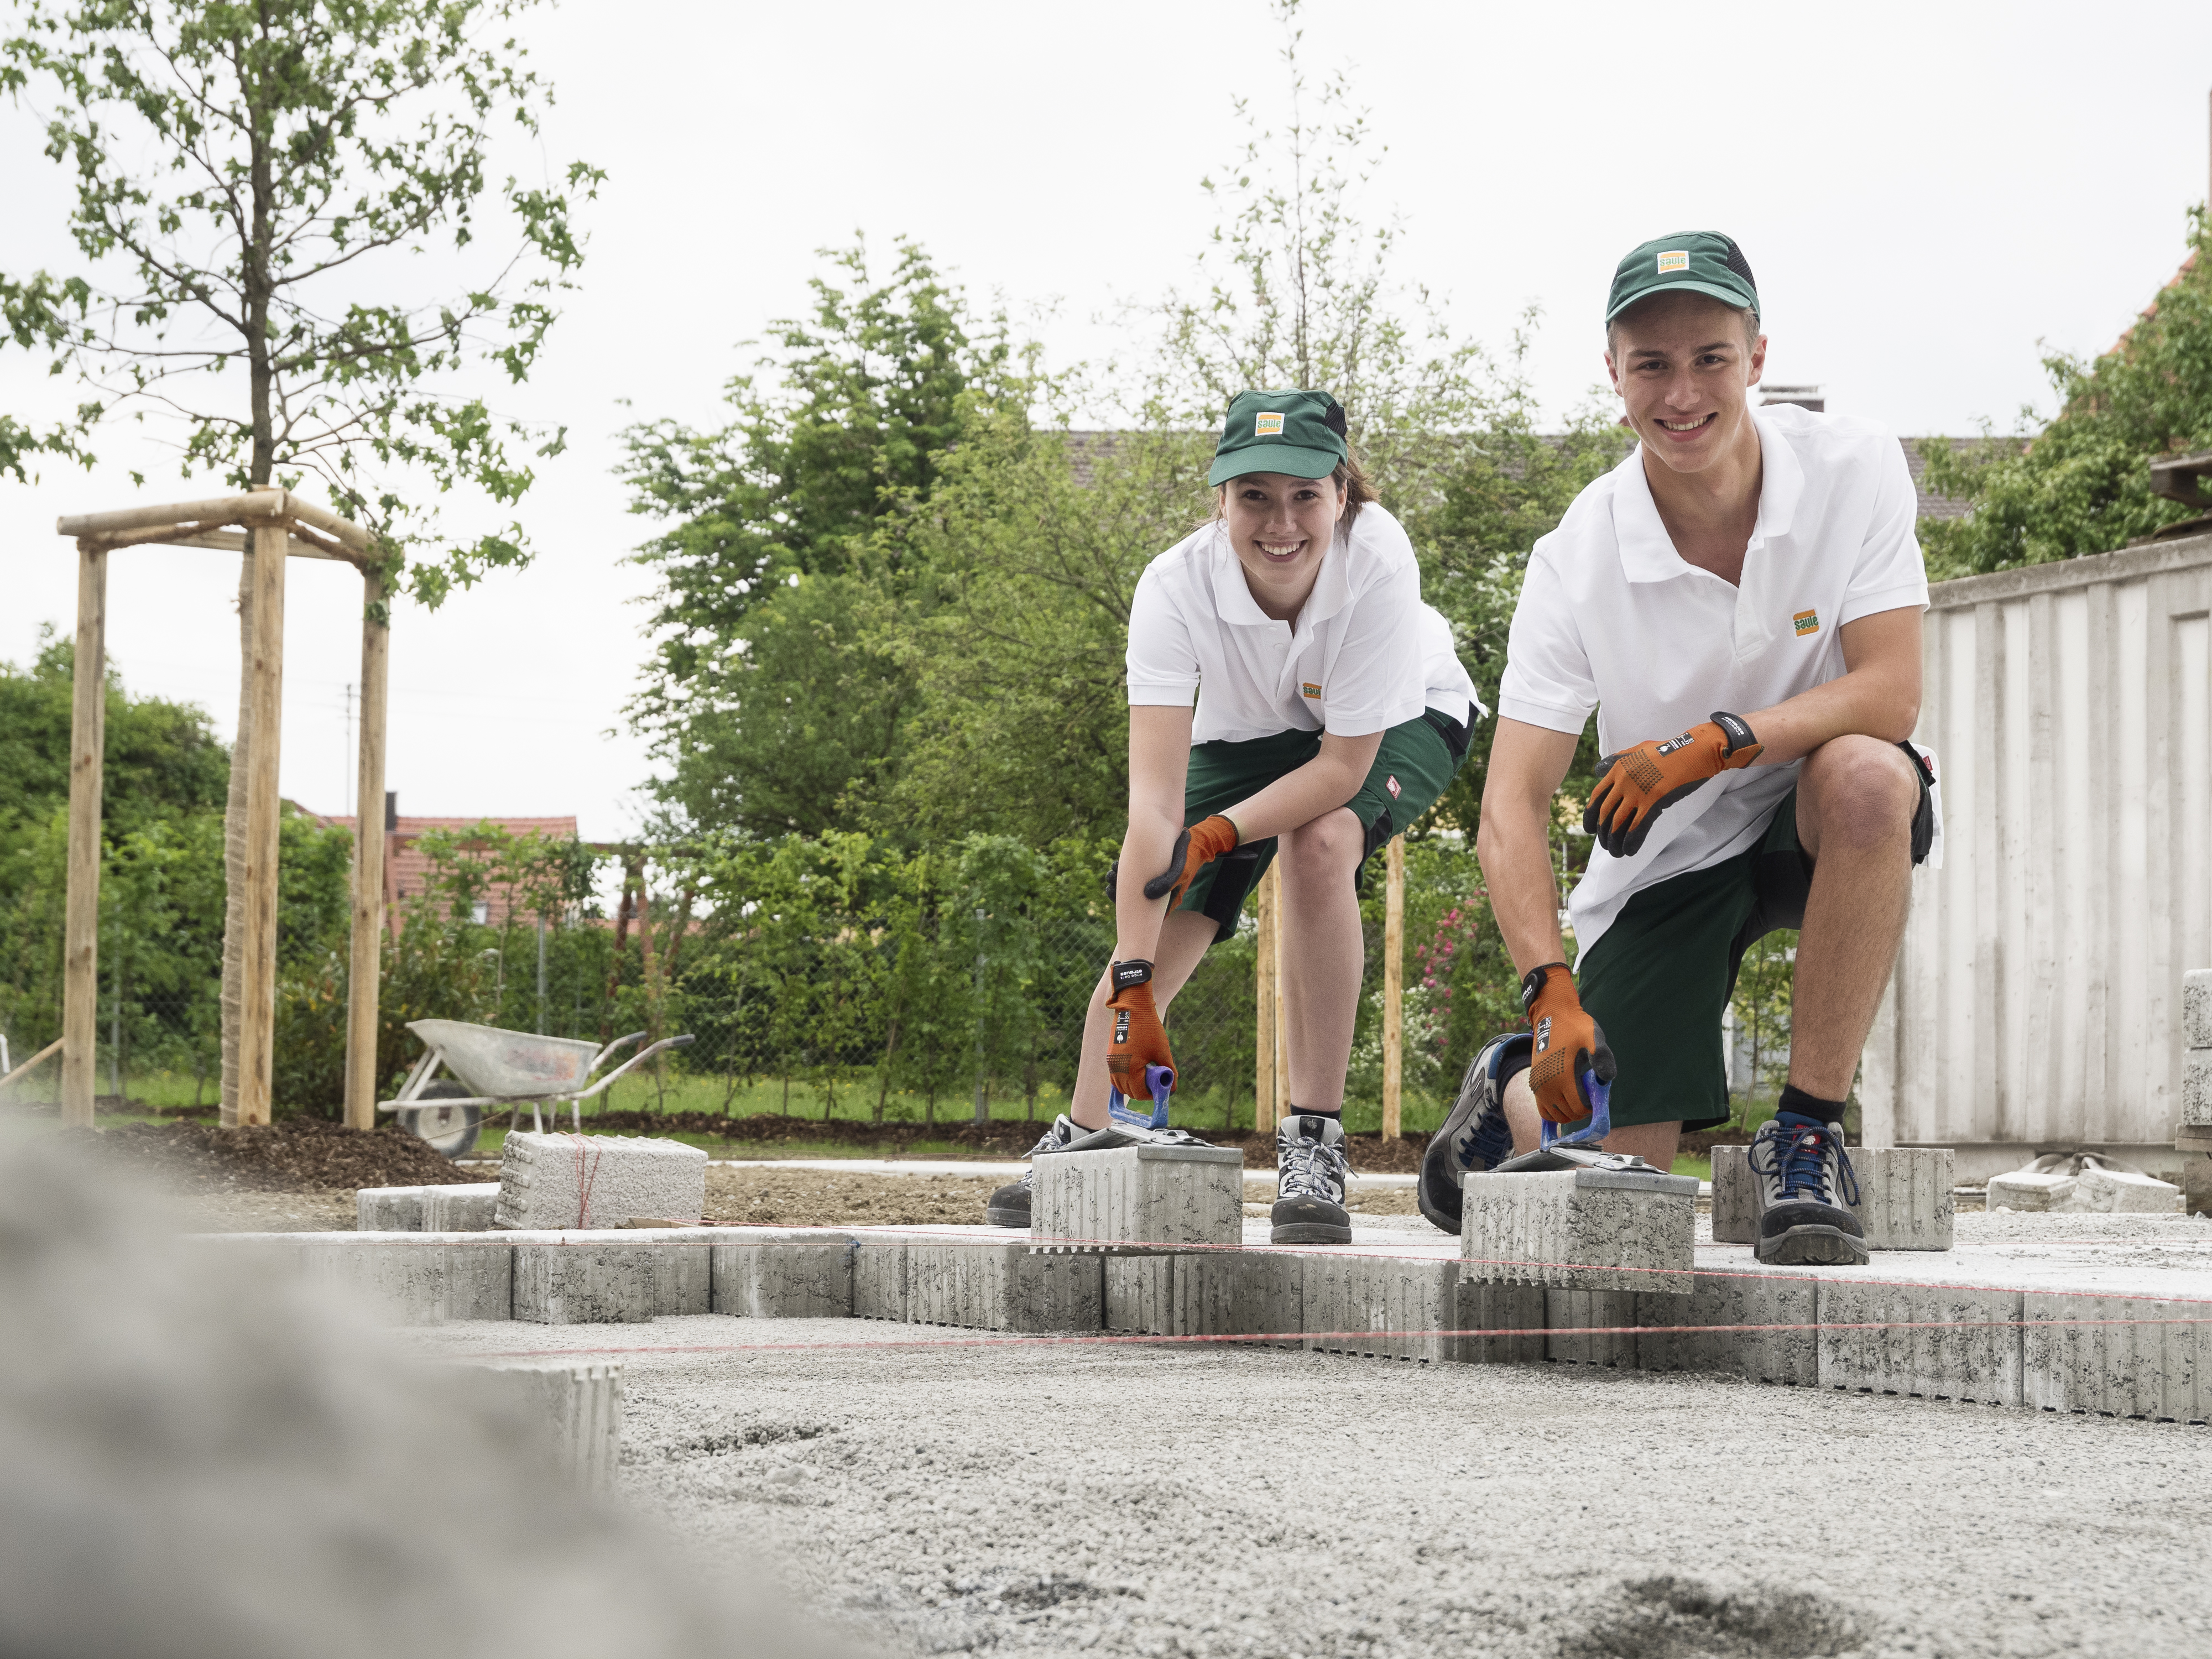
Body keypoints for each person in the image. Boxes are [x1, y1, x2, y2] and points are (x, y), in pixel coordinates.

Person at [1417, 232, 1937, 1267]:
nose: (1683, 390)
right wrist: (1549, 988)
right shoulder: (1576, 558)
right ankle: (1515, 1081)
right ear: (1613, 375)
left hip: (1808, 809)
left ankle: (1805, 1134)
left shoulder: (1855, 467)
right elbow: (1510, 807)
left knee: (1874, 774)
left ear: (1755, 358)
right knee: (1624, 1184)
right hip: (1663, 863)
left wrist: (1720, 742)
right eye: (1651, 363)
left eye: (1710, 356)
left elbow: (1891, 690)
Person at [987, 388, 1482, 1243]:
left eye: (1304, 495)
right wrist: (1135, 979)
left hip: (1393, 719)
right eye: (1253, 495)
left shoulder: (1379, 560)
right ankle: (1085, 1126)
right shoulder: (1173, 587)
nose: (1280, 521)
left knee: (1320, 841)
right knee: (1163, 899)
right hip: (1250, 733)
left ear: (1342, 495)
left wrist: (1218, 834)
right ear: (1219, 500)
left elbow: (1337, 770)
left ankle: (1314, 1145)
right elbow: (1154, 803)